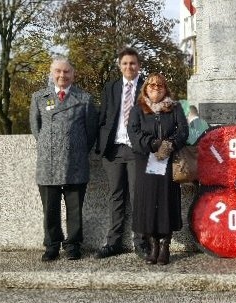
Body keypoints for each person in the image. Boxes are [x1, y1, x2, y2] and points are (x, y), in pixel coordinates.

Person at [30, 57, 98, 262]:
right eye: (58, 71)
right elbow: (36, 129)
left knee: (75, 209)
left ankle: (73, 245)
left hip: (75, 162)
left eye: (66, 71)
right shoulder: (39, 97)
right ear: (51, 73)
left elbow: (91, 132)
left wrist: (75, 150)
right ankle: (51, 245)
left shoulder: (85, 99)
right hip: (48, 162)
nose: (62, 75)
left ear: (73, 74)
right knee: (49, 209)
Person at [127, 73, 188, 265]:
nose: (156, 89)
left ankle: (165, 246)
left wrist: (170, 144)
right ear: (145, 88)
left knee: (166, 202)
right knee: (147, 203)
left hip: (167, 162)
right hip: (146, 161)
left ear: (165, 88)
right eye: (152, 86)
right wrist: (153, 144)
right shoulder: (138, 109)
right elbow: (133, 133)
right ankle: (152, 245)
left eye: (160, 86)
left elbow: (183, 130)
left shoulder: (175, 108)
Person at [95, 47, 147, 259]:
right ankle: (113, 242)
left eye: (132, 63)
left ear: (139, 66)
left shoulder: (146, 87)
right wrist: (99, 145)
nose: (129, 67)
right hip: (114, 151)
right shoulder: (111, 87)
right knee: (116, 197)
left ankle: (140, 244)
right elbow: (104, 116)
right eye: (125, 63)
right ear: (119, 66)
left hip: (136, 152)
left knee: (137, 198)